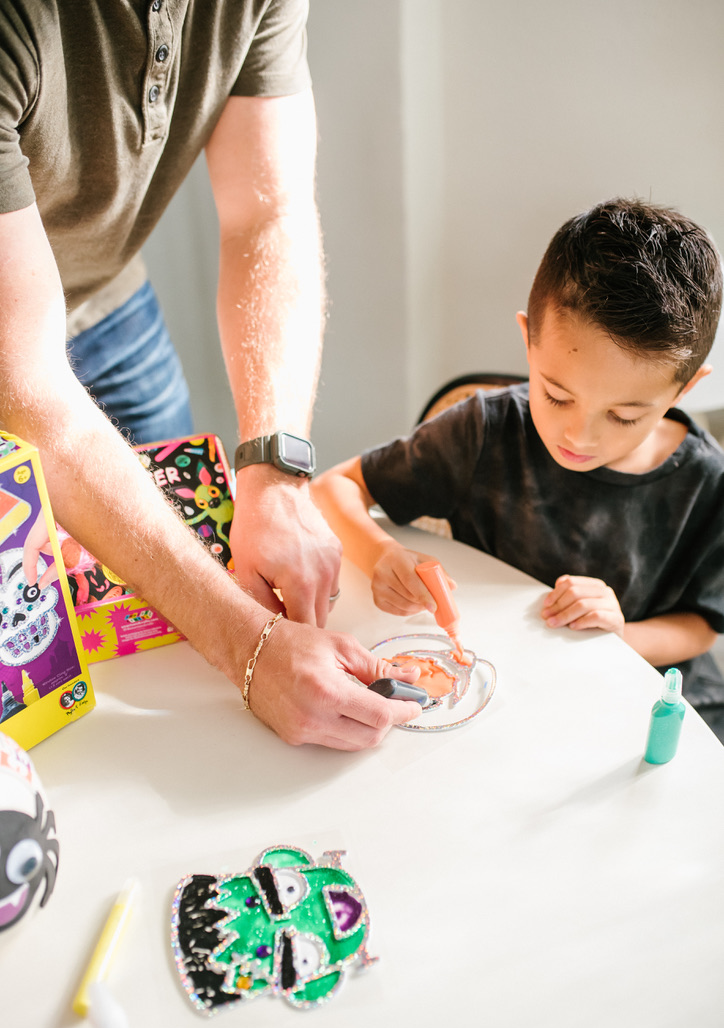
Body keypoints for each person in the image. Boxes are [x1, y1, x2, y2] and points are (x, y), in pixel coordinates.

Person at [0, 1, 422, 747]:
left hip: (106, 299)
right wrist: (249, 650)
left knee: (182, 595)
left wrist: (274, 471)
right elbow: (26, 383)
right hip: (16, 352)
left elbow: (268, 216)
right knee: (37, 669)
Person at [312, 198, 724, 740]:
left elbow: (701, 627)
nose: (580, 435)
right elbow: (332, 486)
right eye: (556, 396)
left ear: (685, 390)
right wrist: (381, 551)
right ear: (529, 340)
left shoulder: (706, 484)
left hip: (641, 702)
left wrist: (622, 631)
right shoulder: (483, 431)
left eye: (624, 415)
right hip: (507, 698)